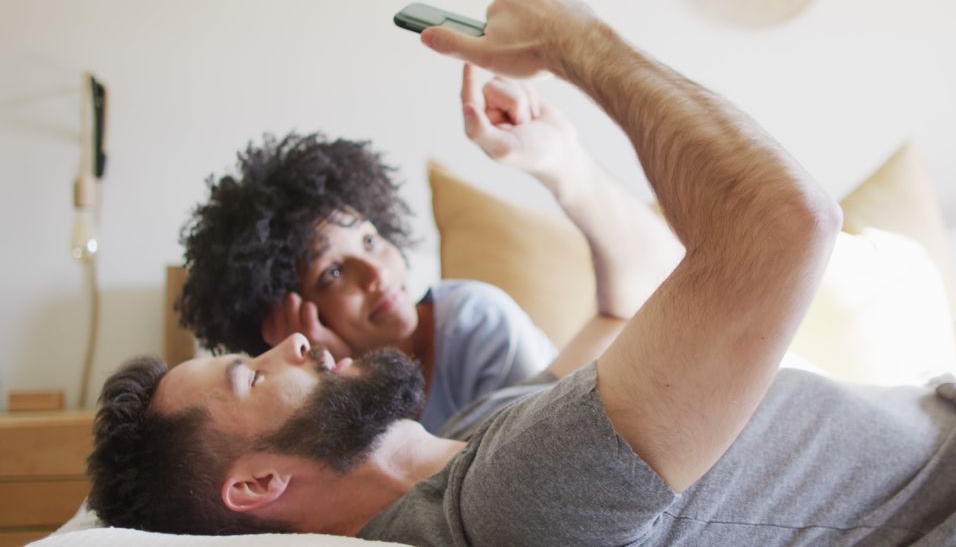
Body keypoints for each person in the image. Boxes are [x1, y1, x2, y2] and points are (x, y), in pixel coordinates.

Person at [86, 0, 956, 544]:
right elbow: (785, 224)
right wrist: (572, 40)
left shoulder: (476, 435)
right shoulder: (512, 500)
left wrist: (557, 158)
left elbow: (629, 302)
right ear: (255, 487)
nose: (307, 331)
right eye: (254, 371)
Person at [176, 57, 679, 434]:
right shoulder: (300, 409)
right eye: (333, 273)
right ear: (291, 323)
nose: (375, 273)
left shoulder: (473, 323)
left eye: (371, 240)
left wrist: (560, 161)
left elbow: (500, 470)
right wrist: (325, 392)